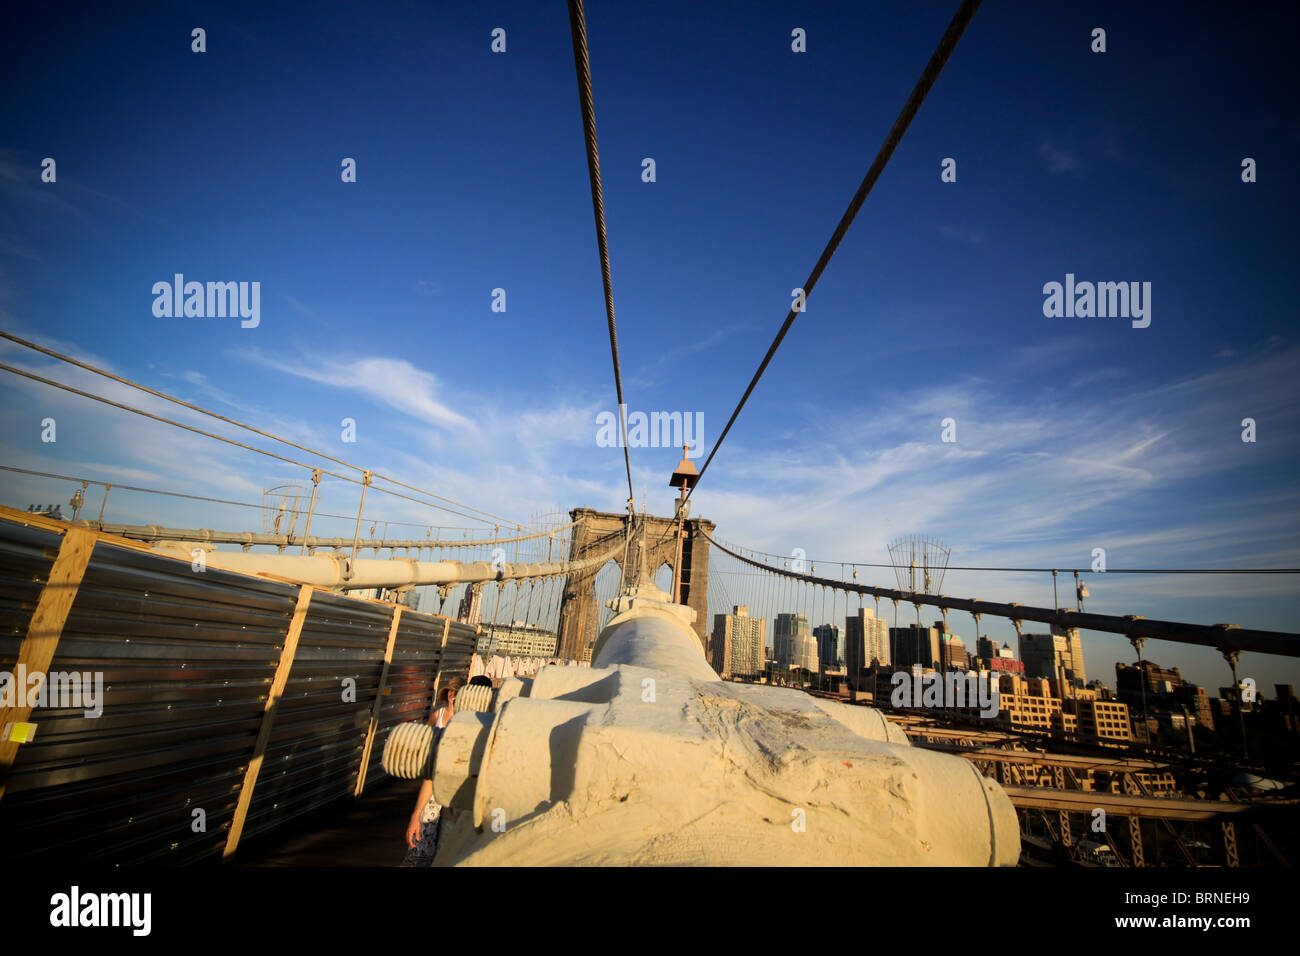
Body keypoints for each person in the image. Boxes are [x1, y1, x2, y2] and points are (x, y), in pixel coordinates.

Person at [402, 678, 459, 866]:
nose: (452, 695)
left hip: (450, 783)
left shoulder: (464, 720)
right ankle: (418, 858)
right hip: (433, 776)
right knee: (426, 824)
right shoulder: (439, 715)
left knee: (447, 833)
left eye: (456, 692)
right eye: (451, 692)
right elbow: (424, 738)